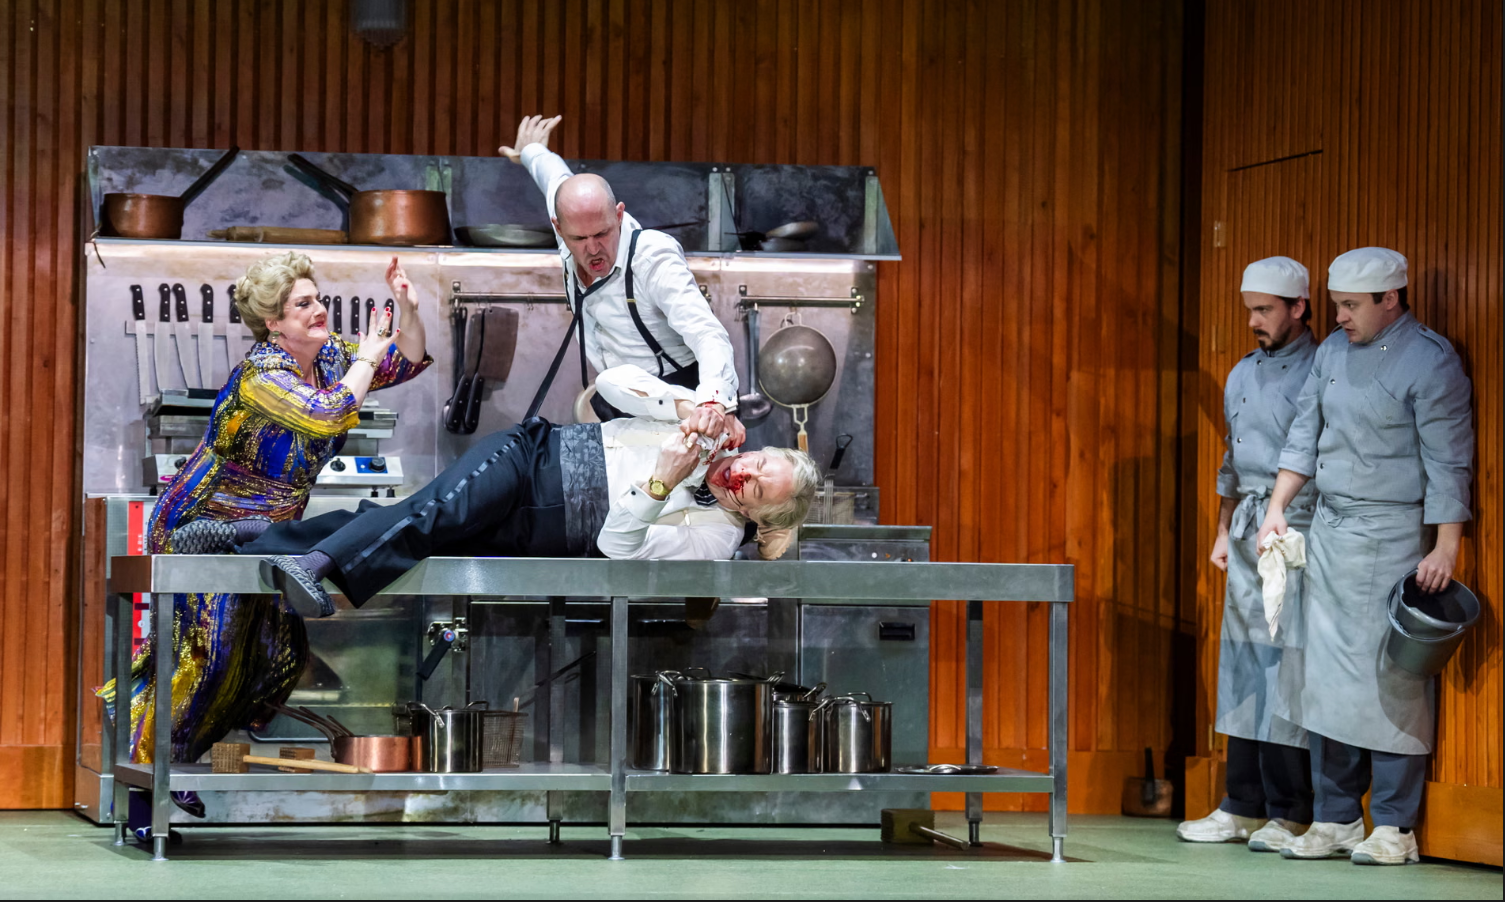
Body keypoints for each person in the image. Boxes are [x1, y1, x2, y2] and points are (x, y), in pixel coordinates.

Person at [99, 252, 431, 841]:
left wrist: (407, 308)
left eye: (317, 298)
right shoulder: (263, 375)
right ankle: (151, 789)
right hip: (205, 526)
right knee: (212, 656)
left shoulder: (327, 358)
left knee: (279, 653)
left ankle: (173, 743)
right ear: (274, 323)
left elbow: (405, 360)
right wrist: (365, 358)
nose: (318, 309)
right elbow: (329, 415)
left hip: (268, 532)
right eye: (303, 304)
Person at [174, 365, 821, 616]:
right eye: (758, 462)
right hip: (530, 459)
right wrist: (684, 405)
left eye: (758, 490)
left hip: (537, 535)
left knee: (419, 521)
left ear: (761, 518)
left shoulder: (712, 541)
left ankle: (261, 536)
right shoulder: (703, 429)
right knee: (434, 517)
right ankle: (313, 564)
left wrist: (661, 483)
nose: (745, 473)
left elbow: (617, 550)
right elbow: (611, 383)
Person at [1257, 247, 1474, 866]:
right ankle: (1336, 817)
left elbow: (1449, 459)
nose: (1341, 317)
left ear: (1391, 299)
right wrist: (1277, 506)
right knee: (1323, 679)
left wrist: (1447, 544)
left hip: (1394, 533)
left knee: (1392, 678)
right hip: (1330, 532)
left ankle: (1395, 825)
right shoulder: (1330, 352)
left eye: (1352, 305)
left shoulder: (1429, 360)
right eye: (1337, 305)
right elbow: (1305, 432)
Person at [1177, 257, 1318, 850]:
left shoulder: (1320, 368)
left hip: (1297, 527)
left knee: (1286, 665)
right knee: (1240, 661)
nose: (1254, 321)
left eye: (1265, 310)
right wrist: (1221, 530)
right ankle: (1240, 803)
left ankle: (1291, 809)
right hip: (1245, 529)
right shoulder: (1240, 372)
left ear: (1298, 307)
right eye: (1250, 310)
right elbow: (1231, 463)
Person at [498, 114, 742, 433]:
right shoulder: (570, 219)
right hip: (623, 397)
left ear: (618, 215)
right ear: (559, 227)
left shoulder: (652, 256)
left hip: (684, 394)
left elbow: (706, 333)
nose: (592, 248)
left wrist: (714, 403)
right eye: (579, 238)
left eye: (602, 233)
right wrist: (531, 151)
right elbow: (554, 177)